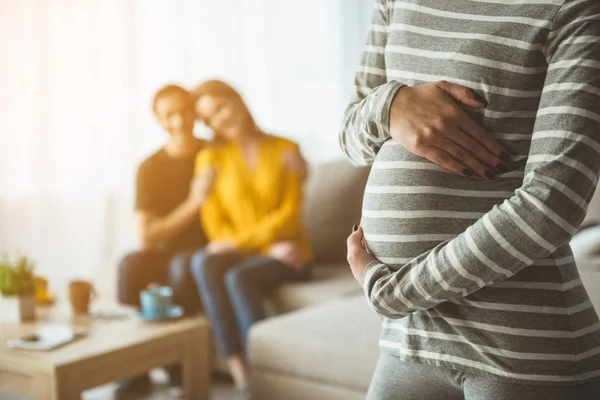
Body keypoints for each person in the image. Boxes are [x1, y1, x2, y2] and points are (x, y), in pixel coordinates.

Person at [341, 1, 600, 400]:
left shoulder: (574, 10)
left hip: (520, 351)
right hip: (409, 337)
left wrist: (395, 293)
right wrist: (391, 106)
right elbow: (350, 135)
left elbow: (552, 204)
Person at [190, 80, 313, 391]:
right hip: (260, 252)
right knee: (205, 262)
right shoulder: (210, 159)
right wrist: (260, 246)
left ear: (237, 100)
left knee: (238, 278)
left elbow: (290, 215)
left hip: (290, 253)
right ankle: (238, 367)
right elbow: (215, 224)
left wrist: (246, 244)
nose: (219, 119)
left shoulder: (286, 149)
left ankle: (263, 371)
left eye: (220, 107)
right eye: (209, 118)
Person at [116, 84, 215, 396]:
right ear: (159, 121)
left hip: (208, 247)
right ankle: (134, 365)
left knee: (182, 266)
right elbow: (146, 236)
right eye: (169, 114)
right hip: (164, 250)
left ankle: (178, 365)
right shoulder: (150, 168)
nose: (180, 120)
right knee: (130, 265)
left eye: (185, 110)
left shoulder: (213, 153)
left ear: (195, 112)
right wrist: (193, 203)